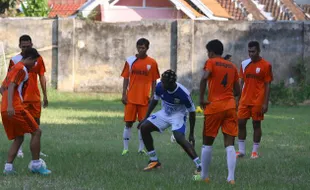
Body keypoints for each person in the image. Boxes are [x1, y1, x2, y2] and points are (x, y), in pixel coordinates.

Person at [194, 39, 240, 184]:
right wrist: (234, 103)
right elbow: (238, 90)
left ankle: (204, 176)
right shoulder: (232, 66)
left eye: (208, 52)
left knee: (207, 143)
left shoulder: (211, 62)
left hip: (214, 107)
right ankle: (231, 178)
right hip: (230, 107)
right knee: (230, 143)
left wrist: (201, 98)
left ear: (212, 52)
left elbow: (204, 78)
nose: (208, 55)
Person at [138, 70, 202, 173]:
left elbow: (192, 112)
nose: (162, 84)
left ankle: (200, 165)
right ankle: (154, 161)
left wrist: (191, 134)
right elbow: (154, 101)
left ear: (171, 83)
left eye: (164, 82)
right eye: (162, 81)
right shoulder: (159, 87)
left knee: (178, 137)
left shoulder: (183, 93)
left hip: (178, 115)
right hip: (165, 113)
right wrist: (145, 117)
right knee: (144, 127)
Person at [0, 48, 51, 175]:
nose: (34, 65)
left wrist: (6, 103)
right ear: (28, 59)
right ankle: (36, 165)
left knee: (19, 137)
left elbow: (2, 87)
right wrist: (12, 105)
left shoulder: (13, 69)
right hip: (15, 108)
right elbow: (11, 86)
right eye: (34, 61)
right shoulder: (21, 69)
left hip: (5, 108)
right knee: (36, 132)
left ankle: (8, 168)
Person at [8, 34, 48, 158]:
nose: (25, 48)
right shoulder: (15, 60)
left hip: (35, 97)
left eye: (28, 45)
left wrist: (45, 95)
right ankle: (19, 149)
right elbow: (9, 81)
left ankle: (36, 149)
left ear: (32, 44)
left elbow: (42, 76)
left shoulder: (38, 58)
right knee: (21, 125)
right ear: (19, 46)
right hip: (21, 99)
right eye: (23, 46)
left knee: (36, 124)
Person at [120, 38, 160, 156]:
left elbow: (154, 80)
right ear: (136, 47)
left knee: (142, 124)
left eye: (143, 48)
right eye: (139, 47)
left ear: (147, 48)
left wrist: (153, 95)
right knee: (128, 123)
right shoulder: (130, 61)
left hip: (144, 99)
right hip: (131, 98)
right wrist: (123, 93)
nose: (141, 50)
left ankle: (141, 149)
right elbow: (126, 78)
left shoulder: (152, 62)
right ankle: (125, 149)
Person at [236, 41, 273, 159]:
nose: (251, 54)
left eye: (253, 51)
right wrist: (238, 98)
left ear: (259, 51)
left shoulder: (266, 65)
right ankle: (241, 151)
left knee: (256, 124)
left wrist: (265, 102)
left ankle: (254, 152)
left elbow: (267, 84)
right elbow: (241, 82)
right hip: (244, 100)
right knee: (240, 123)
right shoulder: (244, 64)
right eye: (249, 51)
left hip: (258, 100)